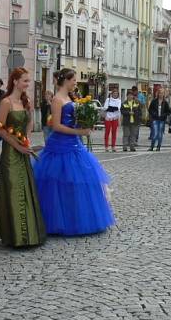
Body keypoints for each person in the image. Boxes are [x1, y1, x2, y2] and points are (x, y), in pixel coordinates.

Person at [33, 68, 115, 236]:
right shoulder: (57, 100)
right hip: (60, 145)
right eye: (74, 80)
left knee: (79, 181)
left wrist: (83, 124)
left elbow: (72, 120)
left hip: (74, 144)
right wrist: (79, 132)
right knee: (58, 183)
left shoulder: (70, 97)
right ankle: (58, 220)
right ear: (66, 80)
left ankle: (74, 216)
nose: (75, 83)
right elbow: (56, 126)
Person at [0, 68, 46, 248]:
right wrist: (17, 145)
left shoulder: (26, 101)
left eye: (28, 81)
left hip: (23, 149)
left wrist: (26, 139)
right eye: (25, 81)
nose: (27, 84)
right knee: (14, 188)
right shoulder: (6, 102)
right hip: (10, 152)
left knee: (26, 188)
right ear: (15, 81)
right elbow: (0, 128)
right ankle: (15, 235)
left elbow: (29, 121)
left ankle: (29, 234)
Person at [102, 87, 122, 152]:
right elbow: (105, 108)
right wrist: (112, 108)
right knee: (107, 132)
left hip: (115, 118)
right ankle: (106, 146)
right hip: (108, 117)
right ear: (112, 94)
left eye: (116, 93)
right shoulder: (108, 99)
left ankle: (113, 146)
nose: (115, 95)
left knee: (114, 133)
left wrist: (111, 108)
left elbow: (118, 108)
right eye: (114, 93)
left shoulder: (119, 100)